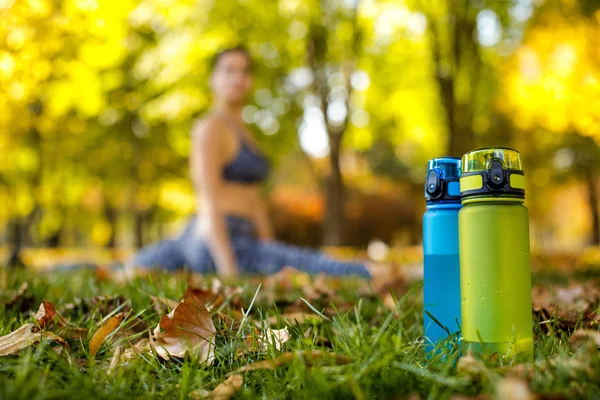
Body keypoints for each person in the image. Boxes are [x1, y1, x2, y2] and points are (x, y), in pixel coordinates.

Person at [126, 46, 371, 279]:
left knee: (128, 267)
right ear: (214, 78)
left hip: (231, 237)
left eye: (245, 71)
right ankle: (372, 272)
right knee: (309, 264)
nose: (238, 78)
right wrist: (228, 269)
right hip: (217, 237)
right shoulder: (211, 128)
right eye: (229, 70)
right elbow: (208, 198)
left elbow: (256, 201)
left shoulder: (246, 132)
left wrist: (268, 245)